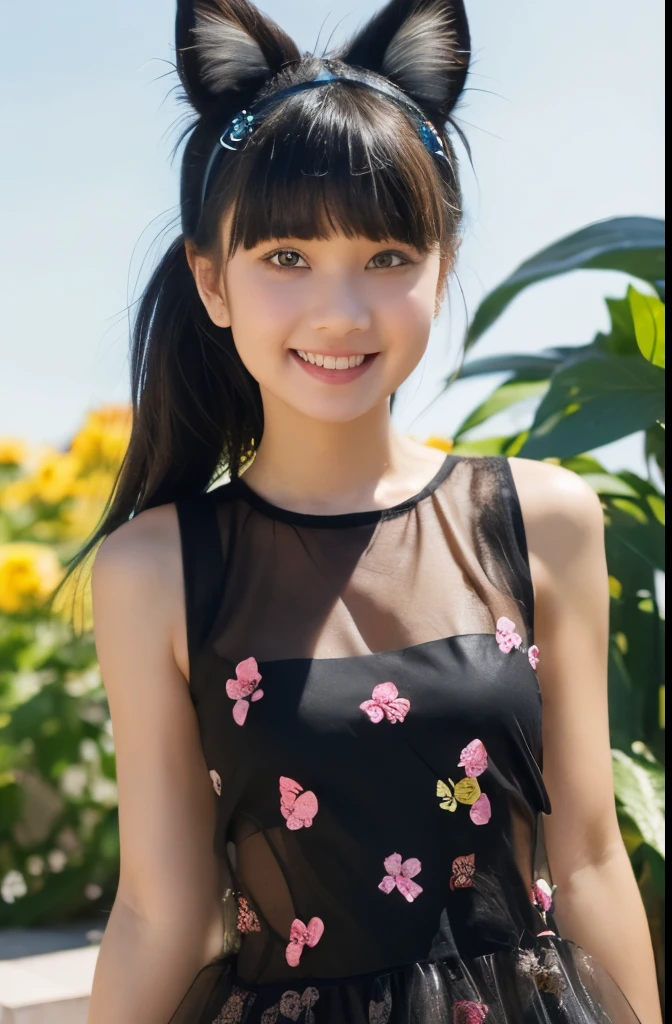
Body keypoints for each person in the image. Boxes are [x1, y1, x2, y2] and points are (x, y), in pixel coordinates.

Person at [79, 1, 662, 1022]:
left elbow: (591, 862)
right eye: (287, 259)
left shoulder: (544, 519)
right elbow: (157, 913)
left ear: (443, 262)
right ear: (212, 282)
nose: (342, 313)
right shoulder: (154, 571)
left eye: (389, 257)